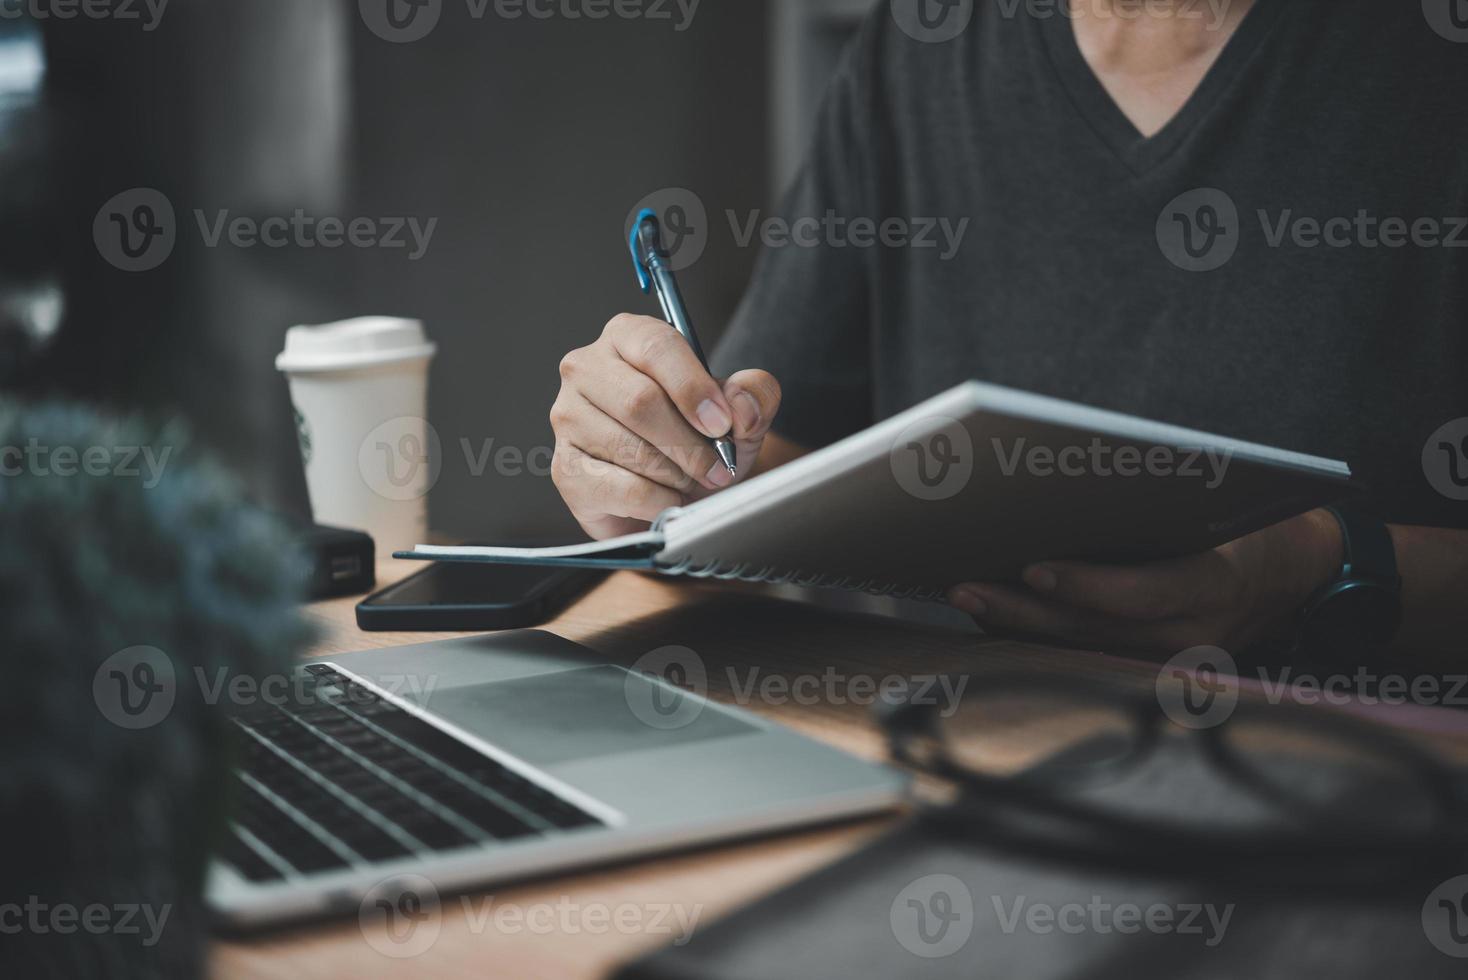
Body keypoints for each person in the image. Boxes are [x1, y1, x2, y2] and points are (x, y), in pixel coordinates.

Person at [549, 0, 1467, 664]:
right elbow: (772, 454)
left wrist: (1319, 569)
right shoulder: (922, 43)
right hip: (948, 750)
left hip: (1360, 781)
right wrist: (661, 480)